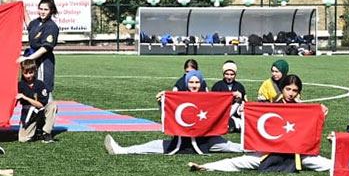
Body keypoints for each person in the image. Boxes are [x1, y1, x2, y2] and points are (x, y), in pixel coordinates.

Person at [190, 74, 331, 173]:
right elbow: (258, 115)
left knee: (322, 163)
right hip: (270, 151)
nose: (291, 94)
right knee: (241, 161)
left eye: (295, 90)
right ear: (282, 89)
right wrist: (246, 110)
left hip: (295, 153)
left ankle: (347, 167)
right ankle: (205, 166)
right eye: (288, 89)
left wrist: (320, 112)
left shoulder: (303, 109)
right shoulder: (271, 107)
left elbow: (310, 130)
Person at [105, 70, 245, 156]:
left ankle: (263, 146)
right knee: (153, 145)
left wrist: (235, 100)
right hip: (181, 140)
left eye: (197, 82)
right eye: (191, 82)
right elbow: (168, 116)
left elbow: (221, 113)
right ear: (186, 83)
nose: (194, 85)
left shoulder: (208, 98)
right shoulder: (179, 98)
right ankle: (121, 150)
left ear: (201, 83)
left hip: (207, 139)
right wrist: (161, 102)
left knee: (235, 146)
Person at [18, 0, 59, 96]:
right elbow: (30, 26)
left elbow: (45, 48)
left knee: (43, 89)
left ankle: (48, 110)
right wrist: (23, 9)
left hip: (43, 61)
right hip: (32, 58)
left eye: (46, 9)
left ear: (51, 11)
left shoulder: (51, 27)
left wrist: (27, 58)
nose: (42, 12)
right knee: (28, 87)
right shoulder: (37, 22)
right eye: (40, 9)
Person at [16, 60, 56, 143]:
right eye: (25, 73)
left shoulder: (40, 84)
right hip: (28, 114)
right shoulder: (20, 85)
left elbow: (41, 105)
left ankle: (46, 133)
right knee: (23, 139)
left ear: (35, 72)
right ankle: (36, 132)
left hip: (40, 111)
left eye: (30, 73)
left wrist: (25, 98)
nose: (28, 76)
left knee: (52, 105)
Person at [211, 60, 246, 133]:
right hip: (221, 112)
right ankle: (231, 124)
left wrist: (240, 98)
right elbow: (213, 103)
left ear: (235, 74)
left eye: (232, 74)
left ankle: (233, 123)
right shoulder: (217, 86)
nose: (229, 77)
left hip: (235, 112)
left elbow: (244, 103)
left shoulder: (239, 86)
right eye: (227, 74)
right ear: (223, 74)